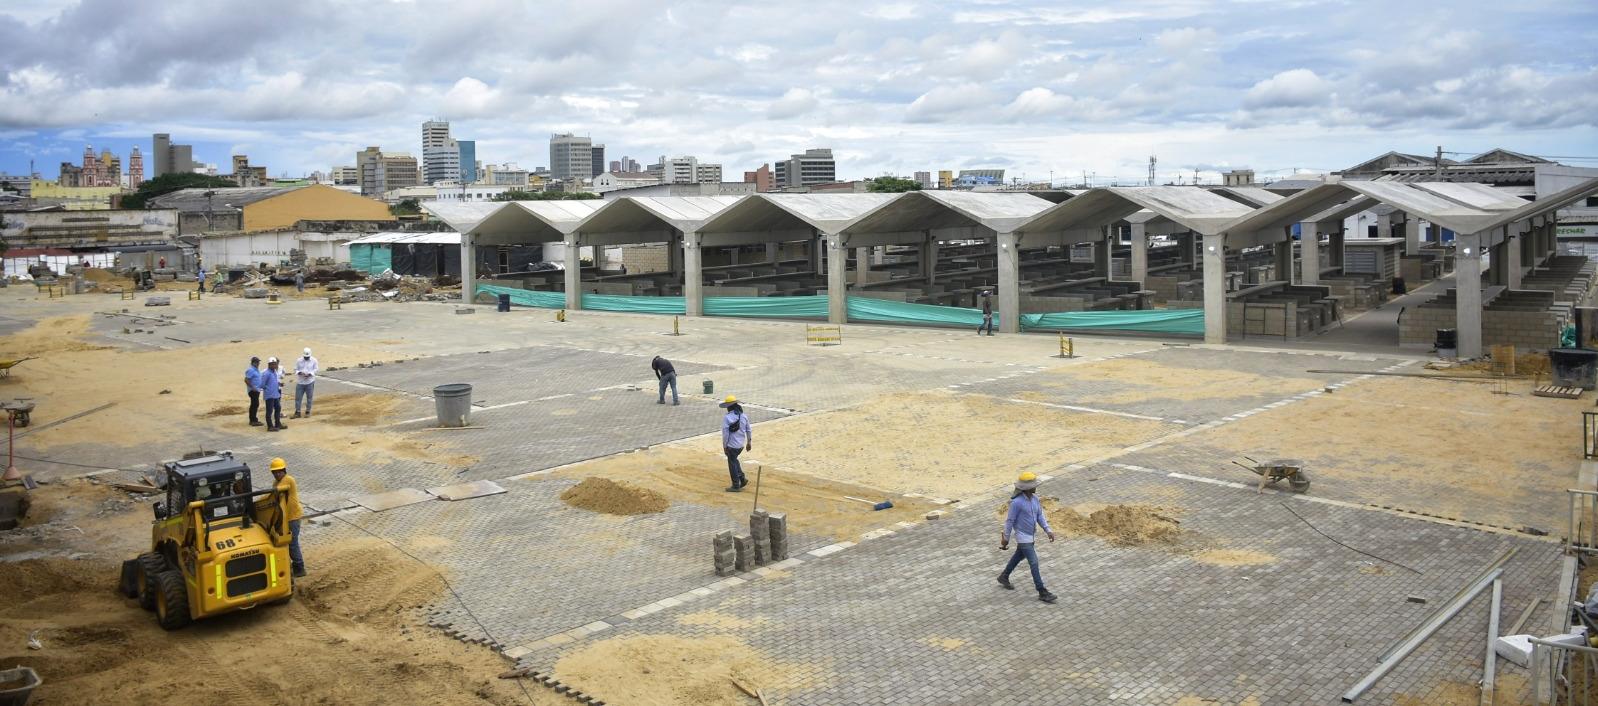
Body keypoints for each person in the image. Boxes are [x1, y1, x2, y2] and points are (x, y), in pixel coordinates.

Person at [999, 472, 1057, 603]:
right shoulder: (1016, 503)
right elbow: (1009, 521)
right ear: (1027, 488)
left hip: (1031, 535)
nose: (1035, 487)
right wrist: (1006, 538)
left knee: (1019, 556)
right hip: (1022, 537)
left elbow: (1039, 515)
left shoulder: (1035, 499)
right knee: (1034, 562)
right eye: (1033, 485)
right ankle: (1042, 591)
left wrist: (1048, 530)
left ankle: (1004, 576)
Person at [266, 458, 307, 578]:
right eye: (275, 472)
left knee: (292, 543)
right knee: (284, 542)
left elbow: (274, 493)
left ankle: (299, 567)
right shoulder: (276, 483)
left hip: (293, 517)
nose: (277, 474)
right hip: (284, 519)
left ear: (284, 470)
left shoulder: (288, 480)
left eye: (279, 471)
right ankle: (291, 566)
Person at [719, 395, 751, 492]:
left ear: (729, 407)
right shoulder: (744, 416)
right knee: (734, 460)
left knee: (732, 463)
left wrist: (724, 446)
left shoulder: (727, 418)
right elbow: (748, 430)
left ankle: (736, 485)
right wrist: (749, 442)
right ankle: (742, 478)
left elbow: (725, 434)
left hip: (732, 446)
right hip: (740, 446)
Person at [261, 357, 286, 431]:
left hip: (276, 394)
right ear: (269, 364)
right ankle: (270, 426)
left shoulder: (274, 372)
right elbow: (262, 385)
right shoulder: (266, 373)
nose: (275, 365)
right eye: (273, 364)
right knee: (269, 411)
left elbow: (274, 381)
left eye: (275, 364)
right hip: (269, 395)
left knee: (278, 408)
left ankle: (278, 424)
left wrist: (279, 384)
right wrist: (269, 389)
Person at [293, 348, 318, 419]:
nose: (306, 358)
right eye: (305, 357)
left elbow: (316, 369)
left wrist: (310, 374)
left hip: (310, 382)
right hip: (300, 382)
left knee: (309, 398)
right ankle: (297, 412)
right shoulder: (299, 360)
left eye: (307, 357)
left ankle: (308, 411)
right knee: (298, 398)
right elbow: (295, 369)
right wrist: (300, 373)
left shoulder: (314, 360)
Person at [244, 356, 264, 427]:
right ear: (253, 363)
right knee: (254, 404)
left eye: (258, 362)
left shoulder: (256, 370)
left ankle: (254, 420)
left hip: (257, 390)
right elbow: (246, 380)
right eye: (256, 362)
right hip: (253, 391)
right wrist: (252, 387)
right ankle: (253, 420)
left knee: (255, 404)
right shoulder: (251, 370)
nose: (258, 363)